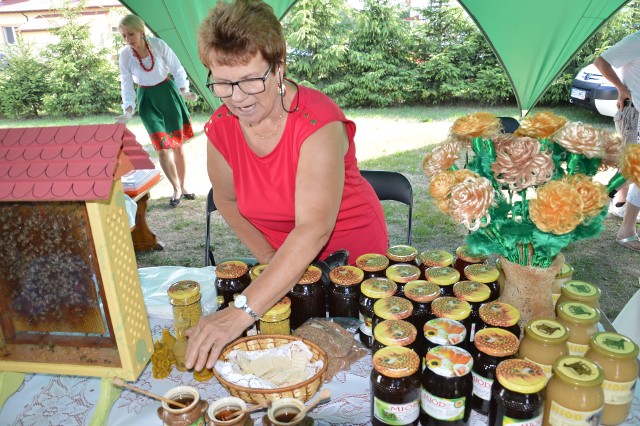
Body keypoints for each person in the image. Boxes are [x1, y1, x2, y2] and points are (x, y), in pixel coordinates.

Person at [185, 0, 388, 371]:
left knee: (355, 361)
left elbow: (313, 228)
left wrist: (240, 312)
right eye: (223, 83)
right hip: (288, 263)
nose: (238, 98)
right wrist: (269, 257)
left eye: (250, 80)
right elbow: (227, 201)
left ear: (279, 69)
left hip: (355, 261)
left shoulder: (318, 121)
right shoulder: (221, 128)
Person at [117, 14, 197, 207]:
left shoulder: (158, 45)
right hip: (147, 101)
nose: (128, 40)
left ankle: (184, 186)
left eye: (131, 34)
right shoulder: (125, 55)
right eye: (124, 36)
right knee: (162, 147)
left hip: (168, 95)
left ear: (141, 31)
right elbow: (126, 84)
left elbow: (177, 69)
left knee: (177, 145)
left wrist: (183, 90)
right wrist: (128, 109)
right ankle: (176, 187)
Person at [595, 31, 640, 251]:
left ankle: (620, 205)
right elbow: (601, 62)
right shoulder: (637, 39)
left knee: (630, 164)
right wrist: (620, 88)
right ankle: (604, 198)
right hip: (634, 114)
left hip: (635, 113)